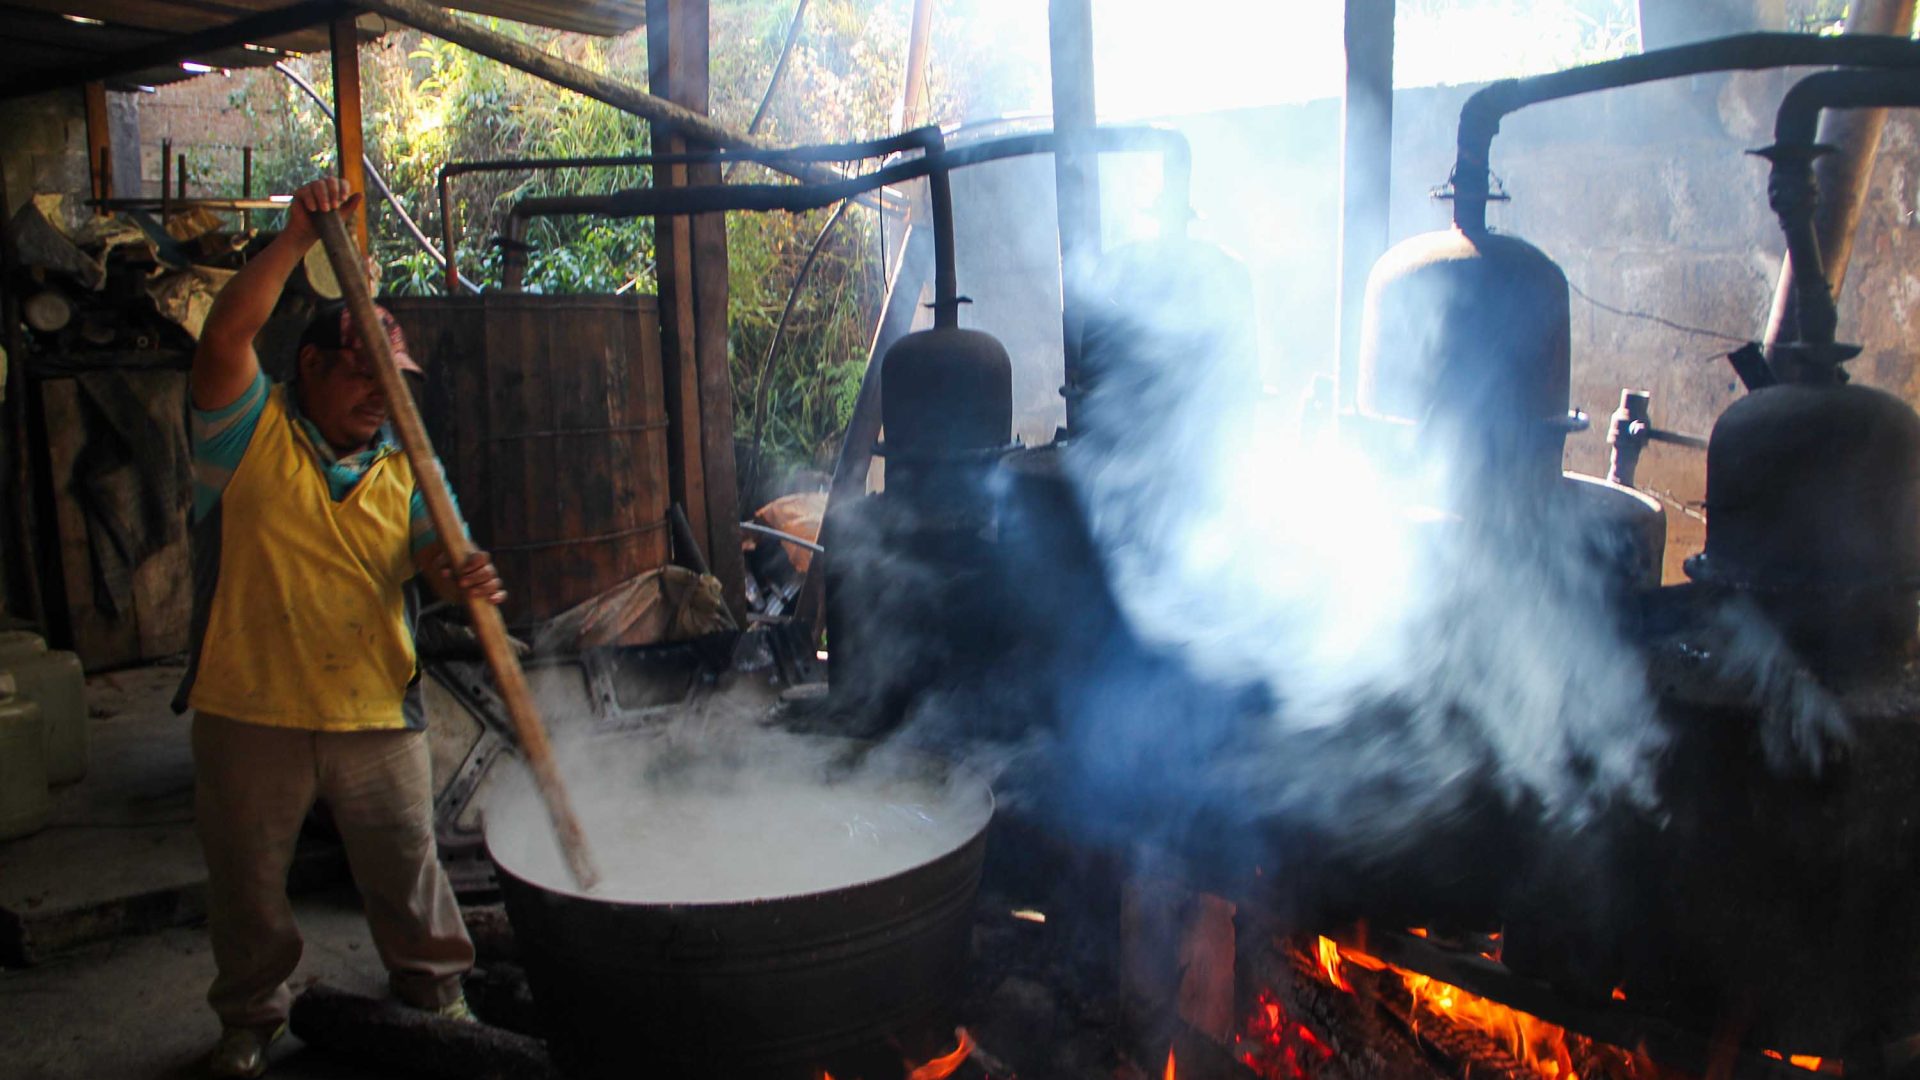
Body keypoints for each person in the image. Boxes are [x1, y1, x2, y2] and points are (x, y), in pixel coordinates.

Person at [176, 177, 502, 1078]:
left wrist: (462, 572)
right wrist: (288, 244)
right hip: (250, 708)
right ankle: (252, 1019)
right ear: (310, 367)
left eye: (394, 382)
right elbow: (224, 336)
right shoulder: (244, 432)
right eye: (362, 373)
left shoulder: (410, 469)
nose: (381, 396)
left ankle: (437, 991)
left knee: (407, 872)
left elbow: (440, 558)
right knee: (246, 890)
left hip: (372, 709)